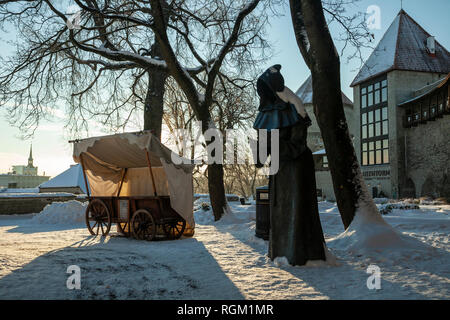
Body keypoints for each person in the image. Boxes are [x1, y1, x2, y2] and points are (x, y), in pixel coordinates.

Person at [254, 65, 326, 266]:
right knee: (279, 211)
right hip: (278, 171)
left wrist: (271, 144)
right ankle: (281, 254)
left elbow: (297, 146)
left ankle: (298, 254)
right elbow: (261, 155)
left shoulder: (295, 109)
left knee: (296, 211)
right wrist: (258, 151)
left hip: (297, 171)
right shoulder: (265, 115)